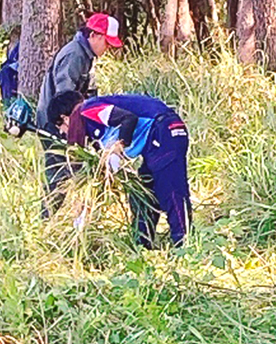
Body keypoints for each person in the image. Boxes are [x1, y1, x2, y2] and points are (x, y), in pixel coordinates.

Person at [61, 94, 191, 248]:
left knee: (170, 190)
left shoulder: (88, 110)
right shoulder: (91, 133)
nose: (64, 134)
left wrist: (119, 146)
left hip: (164, 130)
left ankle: (185, 245)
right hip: (154, 141)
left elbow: (128, 119)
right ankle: (142, 246)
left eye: (61, 129)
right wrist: (86, 206)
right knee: (142, 194)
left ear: (65, 118)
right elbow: (103, 175)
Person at [38, 13, 123, 205]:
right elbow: (65, 97)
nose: (108, 48)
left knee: (71, 169)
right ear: (94, 35)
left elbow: (89, 94)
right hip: (57, 123)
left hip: (70, 121)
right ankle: (49, 218)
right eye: (107, 43)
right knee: (59, 170)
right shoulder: (74, 55)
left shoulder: (87, 56)